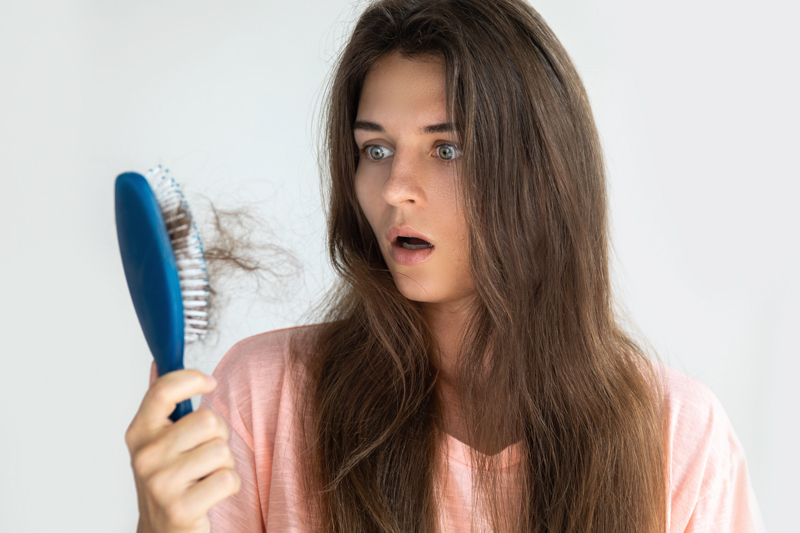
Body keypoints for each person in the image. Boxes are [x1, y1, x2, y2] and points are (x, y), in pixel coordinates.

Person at [124, 0, 765, 532]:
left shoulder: (676, 435)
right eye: (375, 148)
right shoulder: (267, 398)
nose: (395, 186)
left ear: (542, 176)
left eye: (447, 148)